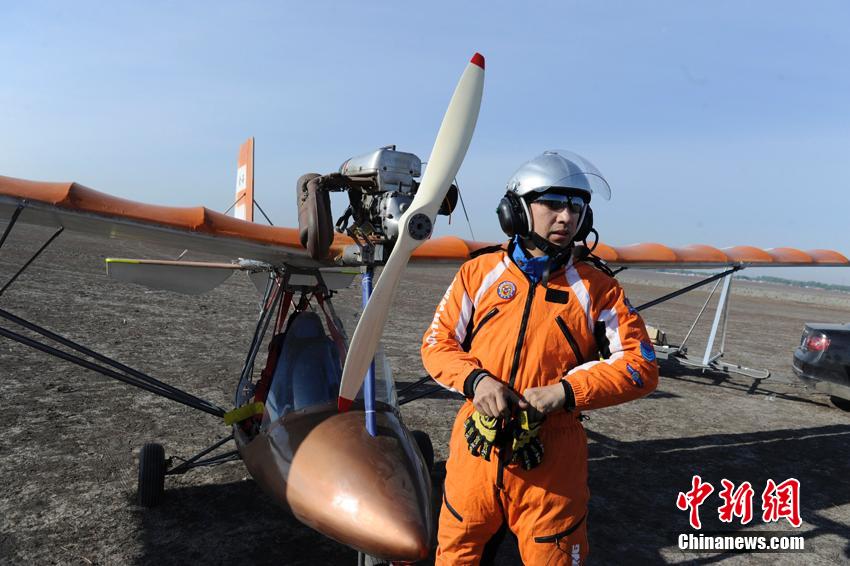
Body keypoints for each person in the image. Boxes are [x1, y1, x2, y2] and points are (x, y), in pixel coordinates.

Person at [421, 150, 659, 565]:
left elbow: (640, 367)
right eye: (553, 204)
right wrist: (477, 382)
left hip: (552, 457)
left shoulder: (597, 288)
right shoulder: (478, 274)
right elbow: (436, 344)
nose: (566, 218)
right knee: (456, 554)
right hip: (475, 447)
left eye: (576, 206)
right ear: (515, 210)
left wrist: (566, 393)